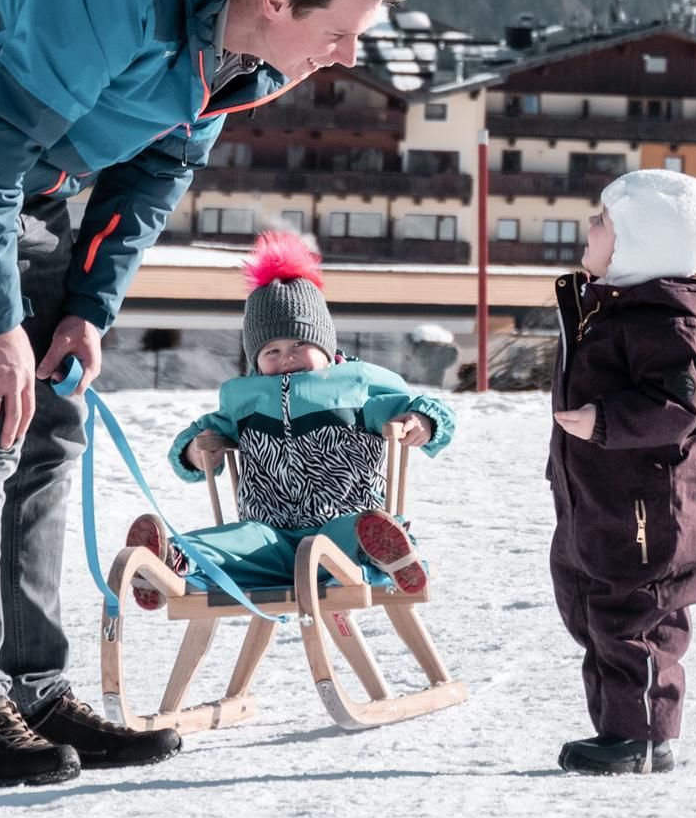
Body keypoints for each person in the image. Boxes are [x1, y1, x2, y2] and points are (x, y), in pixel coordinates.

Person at [0, 0, 407, 786]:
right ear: (275, 0)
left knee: (51, 423)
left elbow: (153, 175)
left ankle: (35, 691)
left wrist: (87, 310)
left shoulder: (251, 57)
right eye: (338, 34)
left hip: (30, 175)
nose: (346, 57)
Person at [124, 232, 455, 595]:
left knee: (357, 530)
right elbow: (200, 436)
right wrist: (195, 451)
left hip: (340, 527)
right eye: (272, 351)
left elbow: (421, 405)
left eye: (300, 343)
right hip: (269, 536)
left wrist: (422, 421)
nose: (287, 358)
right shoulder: (243, 398)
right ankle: (172, 560)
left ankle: (387, 553)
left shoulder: (356, 384)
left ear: (325, 344)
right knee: (235, 540)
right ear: (256, 358)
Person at [547, 169, 696, 775]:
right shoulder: (615, 307)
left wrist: (605, 420)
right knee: (595, 613)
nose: (589, 226)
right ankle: (618, 729)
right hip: (598, 497)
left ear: (640, 241)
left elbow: (679, 404)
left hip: (651, 506)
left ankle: (644, 738)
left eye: (603, 220)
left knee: (636, 618)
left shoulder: (669, 322)